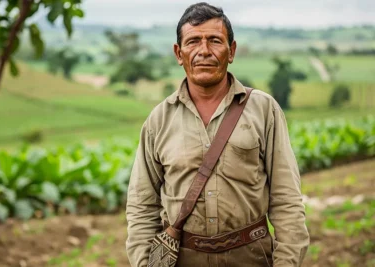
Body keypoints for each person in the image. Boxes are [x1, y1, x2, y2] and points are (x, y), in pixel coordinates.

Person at [126, 2, 309, 266]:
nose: (204, 51)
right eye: (193, 42)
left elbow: (287, 201)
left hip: (251, 257)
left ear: (231, 51)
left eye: (215, 41)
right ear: (179, 53)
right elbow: (142, 207)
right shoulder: (159, 120)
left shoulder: (263, 109)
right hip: (182, 259)